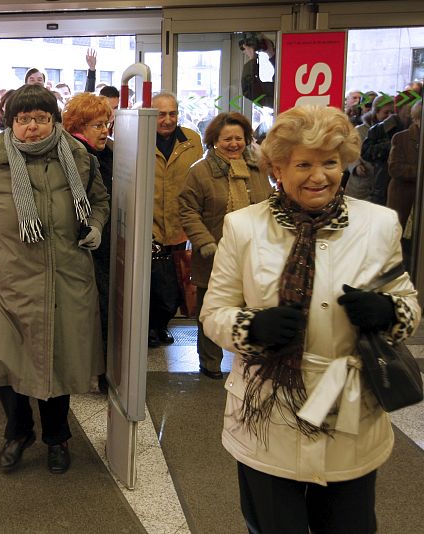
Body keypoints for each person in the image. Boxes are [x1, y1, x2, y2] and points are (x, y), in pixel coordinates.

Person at [200, 105, 420, 534]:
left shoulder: (378, 225)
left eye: (330, 163)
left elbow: (407, 305)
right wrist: (251, 328)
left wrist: (388, 312)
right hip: (267, 415)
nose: (319, 176)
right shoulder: (244, 227)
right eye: (304, 164)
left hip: (351, 414)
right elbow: (214, 313)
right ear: (278, 169)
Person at [0, 84, 110, 474]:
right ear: (10, 122)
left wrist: (95, 226)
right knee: (5, 362)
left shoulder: (80, 159)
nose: (32, 127)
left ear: (54, 121)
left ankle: (57, 437)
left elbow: (99, 201)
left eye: (41, 118)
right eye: (23, 119)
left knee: (56, 363)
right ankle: (18, 432)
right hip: (8, 284)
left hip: (64, 281)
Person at [178, 112, 273, 380]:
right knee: (210, 308)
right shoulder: (200, 171)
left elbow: (269, 203)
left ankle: (251, 357)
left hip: (255, 253)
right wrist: (204, 241)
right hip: (213, 253)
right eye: (227, 139)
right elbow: (188, 210)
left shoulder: (258, 168)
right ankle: (210, 363)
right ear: (214, 141)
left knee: (254, 303)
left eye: (239, 138)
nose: (234, 144)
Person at [62, 92, 114, 392]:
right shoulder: (76, 157)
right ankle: (93, 373)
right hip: (83, 245)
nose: (105, 130)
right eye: (98, 125)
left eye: (106, 123)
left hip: (100, 240)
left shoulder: (105, 153)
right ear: (79, 126)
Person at [149, 92, 203, 347]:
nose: (168, 120)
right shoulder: (140, 139)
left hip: (179, 225)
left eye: (173, 113)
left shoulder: (192, 141)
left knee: (174, 283)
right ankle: (149, 327)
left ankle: (162, 325)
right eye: (161, 114)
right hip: (149, 224)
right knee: (151, 282)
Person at [387, 100, 421, 268]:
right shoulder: (402, 138)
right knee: (401, 246)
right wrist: (419, 171)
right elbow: (394, 168)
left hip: (419, 202)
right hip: (404, 200)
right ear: (416, 119)